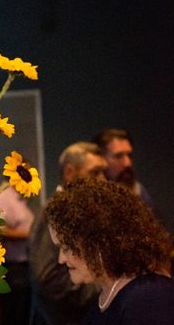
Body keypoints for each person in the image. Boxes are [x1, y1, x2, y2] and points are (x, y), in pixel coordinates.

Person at [45, 179, 174, 324]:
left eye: (67, 247)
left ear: (99, 242)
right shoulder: (108, 296)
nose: (61, 259)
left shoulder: (148, 297)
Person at [28, 142, 107, 325]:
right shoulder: (52, 212)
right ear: (70, 173)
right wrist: (104, 286)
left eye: (104, 172)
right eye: (95, 172)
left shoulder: (80, 211)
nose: (103, 180)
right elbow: (48, 278)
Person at [0, 178, 35, 325]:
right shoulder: (3, 197)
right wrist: (28, 234)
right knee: (14, 314)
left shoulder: (18, 198)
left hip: (24, 265)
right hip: (12, 267)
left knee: (23, 314)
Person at [92, 128, 153, 206]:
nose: (127, 164)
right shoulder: (90, 198)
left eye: (129, 155)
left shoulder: (140, 193)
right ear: (100, 159)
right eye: (118, 156)